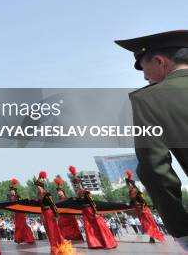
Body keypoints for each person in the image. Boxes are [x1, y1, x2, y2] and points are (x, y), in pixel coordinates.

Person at [115, 30, 188, 250]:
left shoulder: (150, 99)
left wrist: (182, 231)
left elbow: (155, 170)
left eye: (144, 69)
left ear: (159, 61)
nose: (145, 77)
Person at [68, 166, 116, 249]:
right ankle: (95, 244)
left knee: (99, 225)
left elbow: (92, 203)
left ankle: (108, 243)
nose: (76, 186)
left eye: (77, 184)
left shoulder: (86, 193)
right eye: (75, 185)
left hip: (91, 211)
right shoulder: (79, 195)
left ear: (81, 184)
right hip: (85, 213)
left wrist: (96, 212)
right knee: (90, 228)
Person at [34, 171, 72, 255]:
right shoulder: (39, 195)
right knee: (48, 232)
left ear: (41, 186)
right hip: (44, 214)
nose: (37, 188)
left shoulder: (46, 194)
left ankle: (58, 246)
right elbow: (38, 205)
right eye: (36, 186)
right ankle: (53, 247)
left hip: (50, 214)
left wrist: (56, 214)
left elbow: (52, 204)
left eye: (38, 186)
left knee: (53, 231)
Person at [125, 170, 165, 243]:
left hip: (143, 210)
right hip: (139, 210)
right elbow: (132, 202)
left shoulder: (137, 192)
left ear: (131, 185)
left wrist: (143, 209)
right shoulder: (131, 192)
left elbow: (143, 201)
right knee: (145, 225)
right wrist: (129, 204)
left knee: (149, 224)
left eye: (128, 184)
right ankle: (152, 237)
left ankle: (154, 237)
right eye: (127, 184)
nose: (127, 185)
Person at [52, 176, 83, 242]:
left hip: (69, 215)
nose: (59, 193)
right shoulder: (57, 201)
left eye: (60, 192)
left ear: (63, 192)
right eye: (58, 192)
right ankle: (64, 237)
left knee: (72, 226)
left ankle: (75, 236)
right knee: (60, 224)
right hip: (62, 215)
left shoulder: (67, 199)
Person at [8, 178, 35, 244]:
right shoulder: (10, 198)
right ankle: (19, 239)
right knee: (18, 226)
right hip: (16, 213)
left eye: (13, 191)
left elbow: (22, 204)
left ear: (15, 191)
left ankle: (29, 238)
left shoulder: (18, 197)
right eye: (11, 191)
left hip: (21, 213)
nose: (11, 192)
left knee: (22, 225)